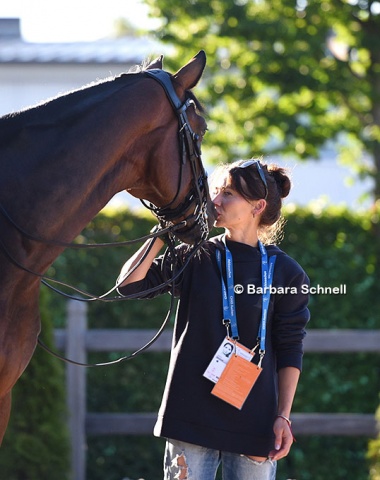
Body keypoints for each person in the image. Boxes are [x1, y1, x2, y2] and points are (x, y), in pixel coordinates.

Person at [117, 158, 310, 480]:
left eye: (228, 194)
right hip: (189, 413)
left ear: (257, 206)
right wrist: (163, 233)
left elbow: (290, 347)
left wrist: (283, 417)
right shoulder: (196, 255)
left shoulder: (287, 273)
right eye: (215, 192)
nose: (214, 202)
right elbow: (129, 286)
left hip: (255, 418)